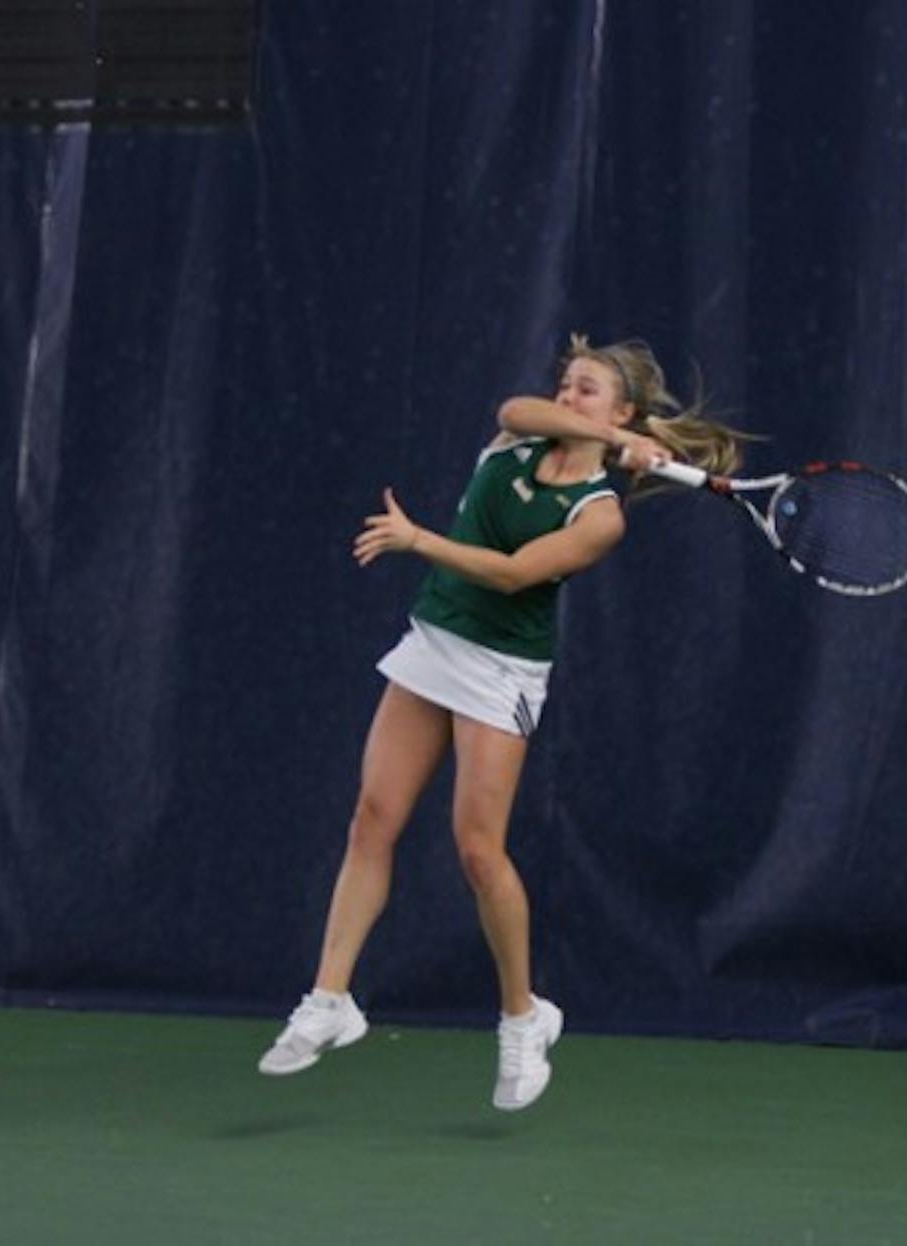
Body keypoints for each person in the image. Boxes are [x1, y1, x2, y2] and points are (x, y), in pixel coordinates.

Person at [258, 335, 745, 1110]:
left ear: (621, 407)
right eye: (567, 384)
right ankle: (331, 1000)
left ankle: (523, 1019)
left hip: (501, 671)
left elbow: (517, 575)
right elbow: (512, 407)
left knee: (478, 850)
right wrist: (618, 439)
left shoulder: (601, 516)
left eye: (586, 390)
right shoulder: (517, 439)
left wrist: (419, 541)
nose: (564, 397)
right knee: (372, 819)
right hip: (434, 640)